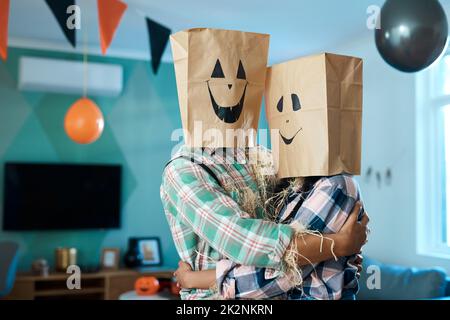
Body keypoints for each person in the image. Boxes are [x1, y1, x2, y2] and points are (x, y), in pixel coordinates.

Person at [173, 174, 366, 300]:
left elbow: (280, 273)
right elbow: (272, 256)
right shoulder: (291, 188)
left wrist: (193, 279)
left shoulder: (336, 185)